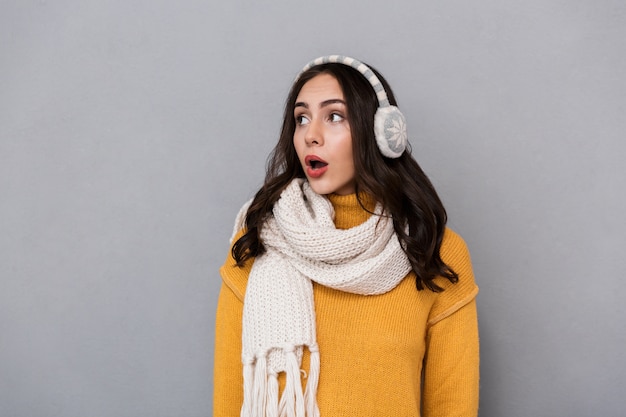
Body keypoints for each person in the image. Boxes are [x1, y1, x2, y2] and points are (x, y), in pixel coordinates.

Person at [213, 55, 479, 417]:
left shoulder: (433, 249)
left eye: (334, 116)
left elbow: (453, 408)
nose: (311, 135)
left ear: (381, 133)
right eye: (301, 118)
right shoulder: (258, 242)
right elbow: (230, 402)